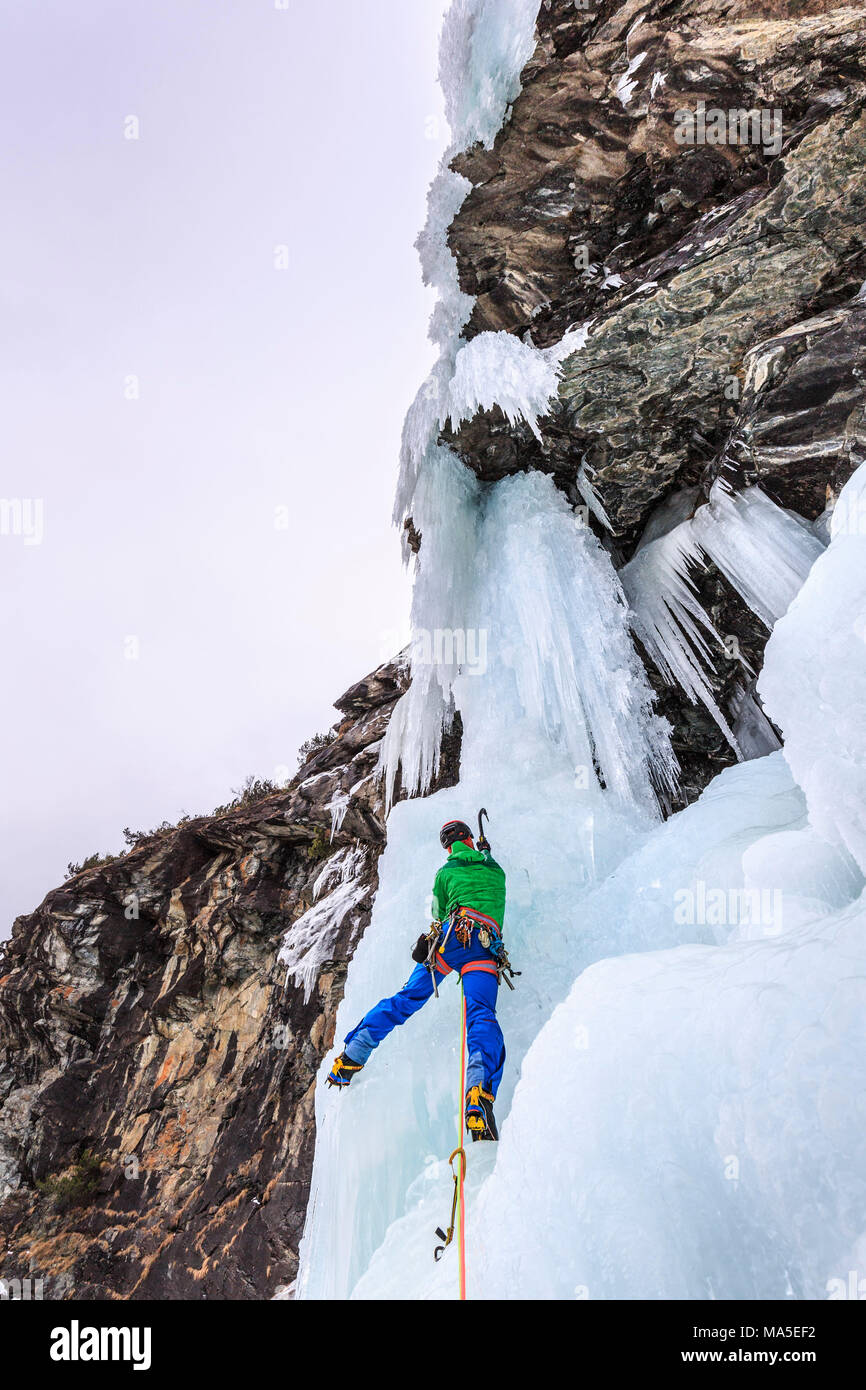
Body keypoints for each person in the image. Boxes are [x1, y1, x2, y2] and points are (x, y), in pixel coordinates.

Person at [325, 818, 507, 1140]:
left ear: (450, 846)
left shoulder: (445, 873)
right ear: (469, 839)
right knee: (481, 1014)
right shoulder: (495, 872)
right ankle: (478, 1091)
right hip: (483, 949)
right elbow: (490, 871)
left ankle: (351, 1057)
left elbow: (439, 913)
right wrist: (486, 853)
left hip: (450, 941)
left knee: (405, 1001)